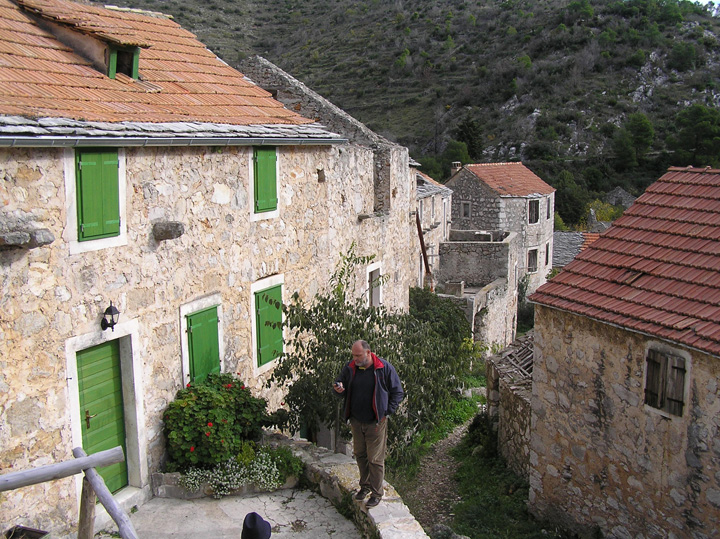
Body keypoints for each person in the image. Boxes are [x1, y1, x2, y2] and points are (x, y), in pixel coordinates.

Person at [333, 340, 404, 508]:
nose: (355, 359)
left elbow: (397, 392)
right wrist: (338, 388)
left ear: (368, 353)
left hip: (376, 422)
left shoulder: (383, 368)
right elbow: (340, 383)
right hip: (357, 420)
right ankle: (364, 487)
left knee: (375, 459)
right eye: (353, 355)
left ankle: (377, 493)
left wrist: (386, 412)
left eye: (358, 355)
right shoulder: (350, 368)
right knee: (360, 454)